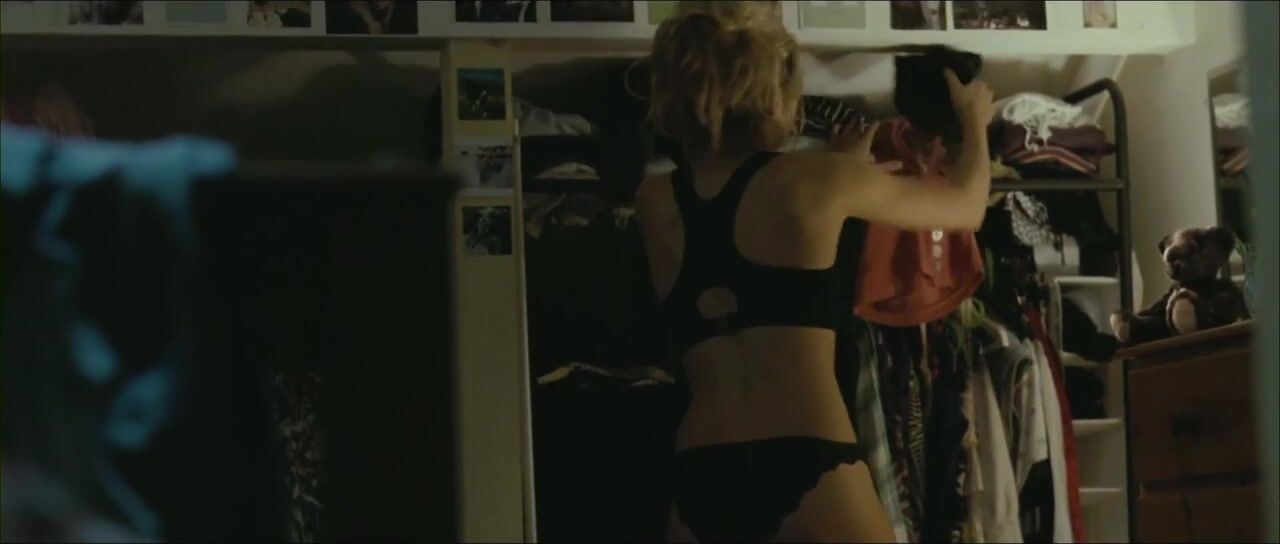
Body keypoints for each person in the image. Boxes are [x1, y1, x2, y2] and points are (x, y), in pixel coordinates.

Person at [634, 2, 994, 542]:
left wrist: (841, 170)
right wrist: (973, 119)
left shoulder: (654, 199)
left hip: (703, 464)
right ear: (769, 90)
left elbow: (736, 245)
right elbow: (967, 206)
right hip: (808, 450)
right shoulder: (817, 180)